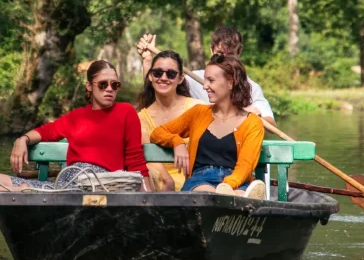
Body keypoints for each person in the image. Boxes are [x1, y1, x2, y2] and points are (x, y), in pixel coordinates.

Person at [0, 60, 152, 192]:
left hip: (101, 187)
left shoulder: (125, 111)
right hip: (66, 184)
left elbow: (136, 161)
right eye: (103, 84)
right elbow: (46, 131)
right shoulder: (76, 117)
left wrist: (148, 201)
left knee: (27, 191)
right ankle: (28, 191)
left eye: (115, 84)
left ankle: (26, 191)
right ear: (89, 86)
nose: (109, 89)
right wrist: (23, 140)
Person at [150, 55, 266, 198]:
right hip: (201, 180)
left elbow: (245, 165)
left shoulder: (253, 123)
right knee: (209, 198)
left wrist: (227, 185)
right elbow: (157, 133)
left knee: (235, 197)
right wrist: (176, 142)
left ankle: (239, 198)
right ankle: (234, 199)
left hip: (237, 181)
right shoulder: (198, 113)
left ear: (230, 83)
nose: (205, 86)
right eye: (205, 80)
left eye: (210, 80)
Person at [136, 27, 276, 127]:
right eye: (219, 54)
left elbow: (270, 124)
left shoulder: (251, 87)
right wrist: (147, 60)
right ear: (211, 50)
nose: (224, 61)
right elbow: (156, 89)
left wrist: (246, 115)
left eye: (230, 55)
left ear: (239, 52)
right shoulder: (193, 79)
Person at [137, 50, 205, 191]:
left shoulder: (196, 108)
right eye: (157, 73)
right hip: (159, 187)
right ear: (150, 76)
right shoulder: (141, 119)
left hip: (195, 182)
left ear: (180, 79)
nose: (163, 77)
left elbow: (224, 115)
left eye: (171, 74)